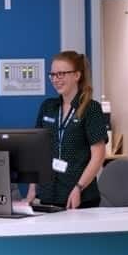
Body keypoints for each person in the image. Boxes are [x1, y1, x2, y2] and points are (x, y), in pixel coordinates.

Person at [26, 51, 108, 209]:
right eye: (53, 75)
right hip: (49, 194)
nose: (56, 79)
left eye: (61, 74)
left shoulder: (91, 109)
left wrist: (78, 188)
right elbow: (37, 151)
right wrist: (32, 187)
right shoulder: (48, 107)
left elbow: (98, 156)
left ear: (77, 75)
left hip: (79, 197)